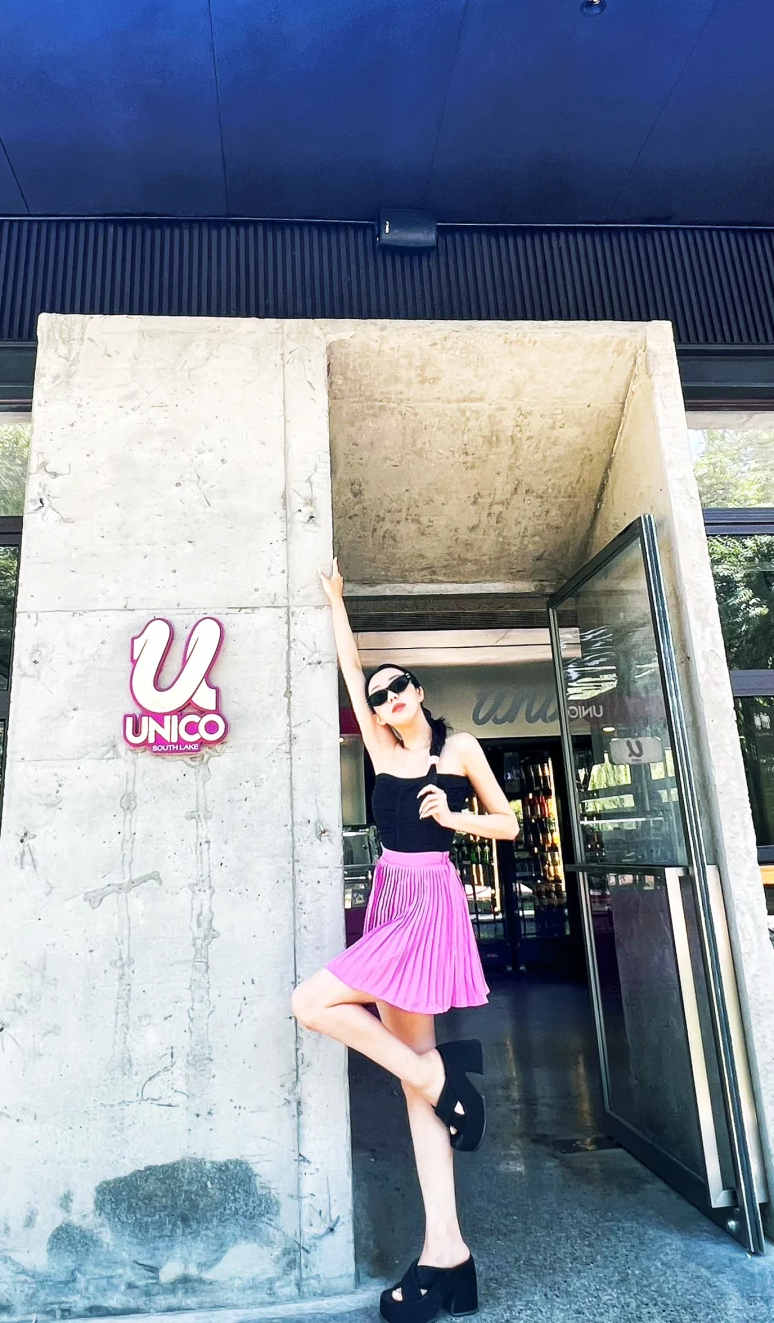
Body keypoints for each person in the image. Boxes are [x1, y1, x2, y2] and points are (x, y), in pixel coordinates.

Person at [292, 560, 519, 1323]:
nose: (387, 700)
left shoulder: (461, 751)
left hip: (430, 903)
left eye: (398, 690)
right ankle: (447, 1253)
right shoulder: (382, 749)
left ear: (419, 691)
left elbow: (509, 823)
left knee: (312, 1003)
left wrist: (455, 819)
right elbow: (350, 667)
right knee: (418, 1083)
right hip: (389, 899)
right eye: (379, 697)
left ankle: (437, 1080)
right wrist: (336, 601)